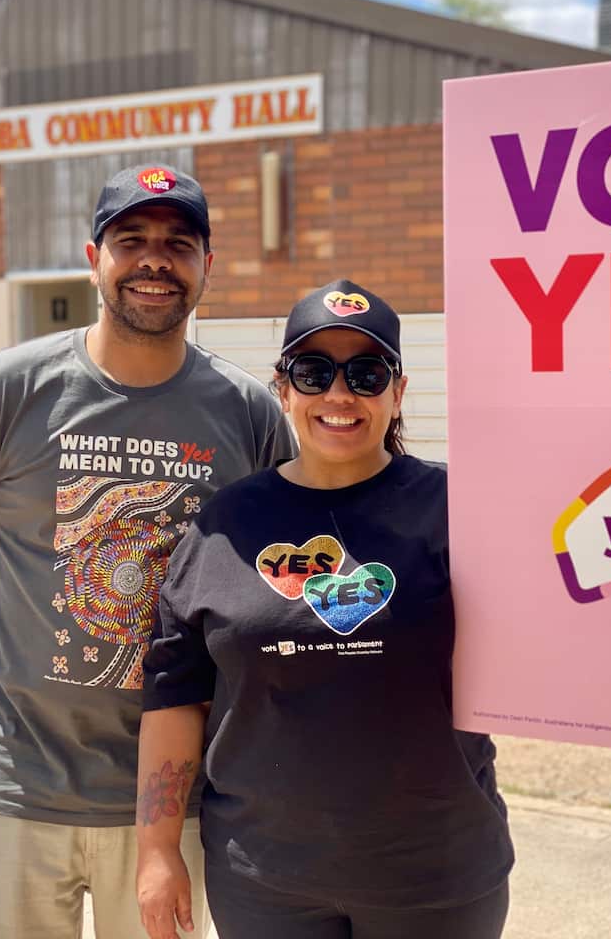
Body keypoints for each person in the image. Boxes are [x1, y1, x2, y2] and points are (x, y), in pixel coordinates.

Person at [0, 162, 296, 939]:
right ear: (94, 260)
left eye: (178, 244)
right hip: (16, 783)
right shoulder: (6, 390)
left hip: (173, 797)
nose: (155, 260)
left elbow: (267, 582)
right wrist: (15, 636)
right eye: (131, 241)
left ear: (206, 268)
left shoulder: (248, 412)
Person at [136, 280, 514, 939]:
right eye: (314, 373)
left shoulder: (465, 509)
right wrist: (156, 849)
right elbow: (175, 697)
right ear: (283, 389)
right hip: (265, 883)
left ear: (397, 392)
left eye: (366, 373)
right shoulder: (226, 523)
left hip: (437, 876)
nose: (339, 394)